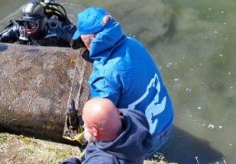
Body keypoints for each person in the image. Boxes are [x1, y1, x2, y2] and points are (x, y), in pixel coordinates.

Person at [72, 6, 174, 151]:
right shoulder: (133, 43)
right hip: (167, 121)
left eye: (82, 39)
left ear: (91, 40)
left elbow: (102, 121)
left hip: (148, 139)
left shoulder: (104, 75)